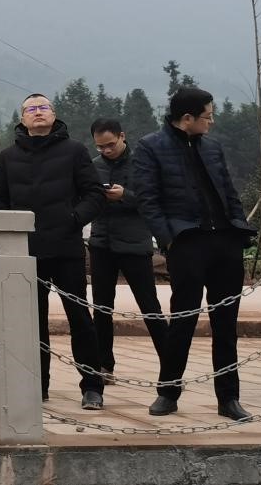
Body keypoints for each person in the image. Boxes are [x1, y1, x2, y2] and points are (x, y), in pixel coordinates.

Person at [131, 87, 257, 422]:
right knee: (183, 320)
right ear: (187, 118)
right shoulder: (150, 147)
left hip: (225, 242)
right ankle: (168, 392)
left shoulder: (213, 147)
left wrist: (239, 228)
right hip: (186, 242)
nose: (211, 122)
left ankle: (229, 398)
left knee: (226, 324)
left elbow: (229, 192)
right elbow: (147, 199)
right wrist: (169, 240)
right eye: (207, 116)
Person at [0, 93, 107, 409]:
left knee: (80, 319)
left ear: (54, 115)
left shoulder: (75, 151)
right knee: (31, 323)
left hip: (66, 248)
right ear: (22, 118)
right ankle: (36, 386)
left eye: (43, 107)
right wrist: (14, 226)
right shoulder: (8, 156)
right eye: (31, 109)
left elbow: (94, 194)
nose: (38, 112)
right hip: (26, 252)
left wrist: (74, 219)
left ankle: (92, 387)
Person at [88, 118, 167, 378]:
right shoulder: (94, 166)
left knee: (149, 306)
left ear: (122, 136)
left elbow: (153, 201)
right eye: (100, 147)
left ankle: (171, 365)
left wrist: (125, 196)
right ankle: (103, 364)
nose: (106, 150)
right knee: (101, 307)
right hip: (101, 244)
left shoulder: (142, 164)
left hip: (135, 244)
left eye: (110, 144)